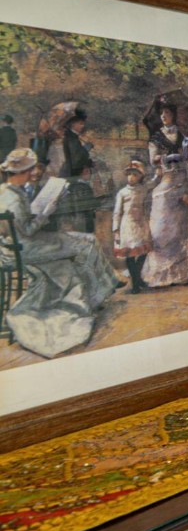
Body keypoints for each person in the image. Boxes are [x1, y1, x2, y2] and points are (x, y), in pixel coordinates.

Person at [0, 147, 119, 358]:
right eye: (29, 171)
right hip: (27, 247)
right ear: (21, 172)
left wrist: (38, 210)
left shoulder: (7, 191)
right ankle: (100, 291)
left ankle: (99, 290)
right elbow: (27, 230)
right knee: (87, 242)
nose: (32, 174)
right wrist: (48, 210)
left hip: (25, 243)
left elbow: (22, 224)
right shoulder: (12, 198)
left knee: (84, 241)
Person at [141, 101, 188, 288]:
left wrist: (185, 148)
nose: (164, 116)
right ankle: (160, 275)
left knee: (179, 228)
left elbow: (186, 158)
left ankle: (179, 275)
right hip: (166, 180)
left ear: (173, 115)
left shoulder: (181, 134)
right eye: (161, 114)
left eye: (167, 113)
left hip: (181, 181)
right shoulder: (155, 137)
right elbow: (152, 160)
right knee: (162, 228)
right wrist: (167, 157)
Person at [31, 103, 98, 236]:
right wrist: (86, 148)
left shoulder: (69, 138)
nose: (82, 126)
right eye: (79, 123)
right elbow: (74, 159)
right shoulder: (63, 139)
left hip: (60, 177)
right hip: (59, 178)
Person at [111, 160, 151, 294]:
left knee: (143, 252)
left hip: (141, 224)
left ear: (140, 177)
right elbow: (117, 213)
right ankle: (135, 284)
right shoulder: (122, 193)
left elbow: (154, 183)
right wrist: (116, 230)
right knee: (130, 255)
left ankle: (137, 278)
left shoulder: (143, 189)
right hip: (127, 226)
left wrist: (159, 173)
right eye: (129, 174)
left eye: (135, 175)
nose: (131, 177)